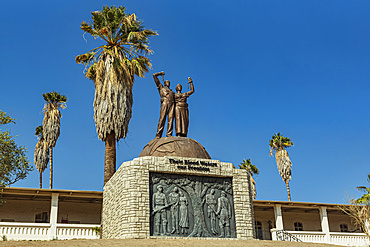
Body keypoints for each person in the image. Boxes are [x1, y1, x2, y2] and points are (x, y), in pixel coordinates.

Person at [153, 71, 175, 138]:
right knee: (162, 118)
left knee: (171, 120)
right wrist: (160, 73)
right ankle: (158, 134)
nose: (168, 82)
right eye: (166, 81)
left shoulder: (172, 92)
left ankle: (169, 134)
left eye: (169, 82)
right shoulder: (161, 87)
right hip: (165, 102)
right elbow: (154, 75)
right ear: (164, 83)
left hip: (172, 104)